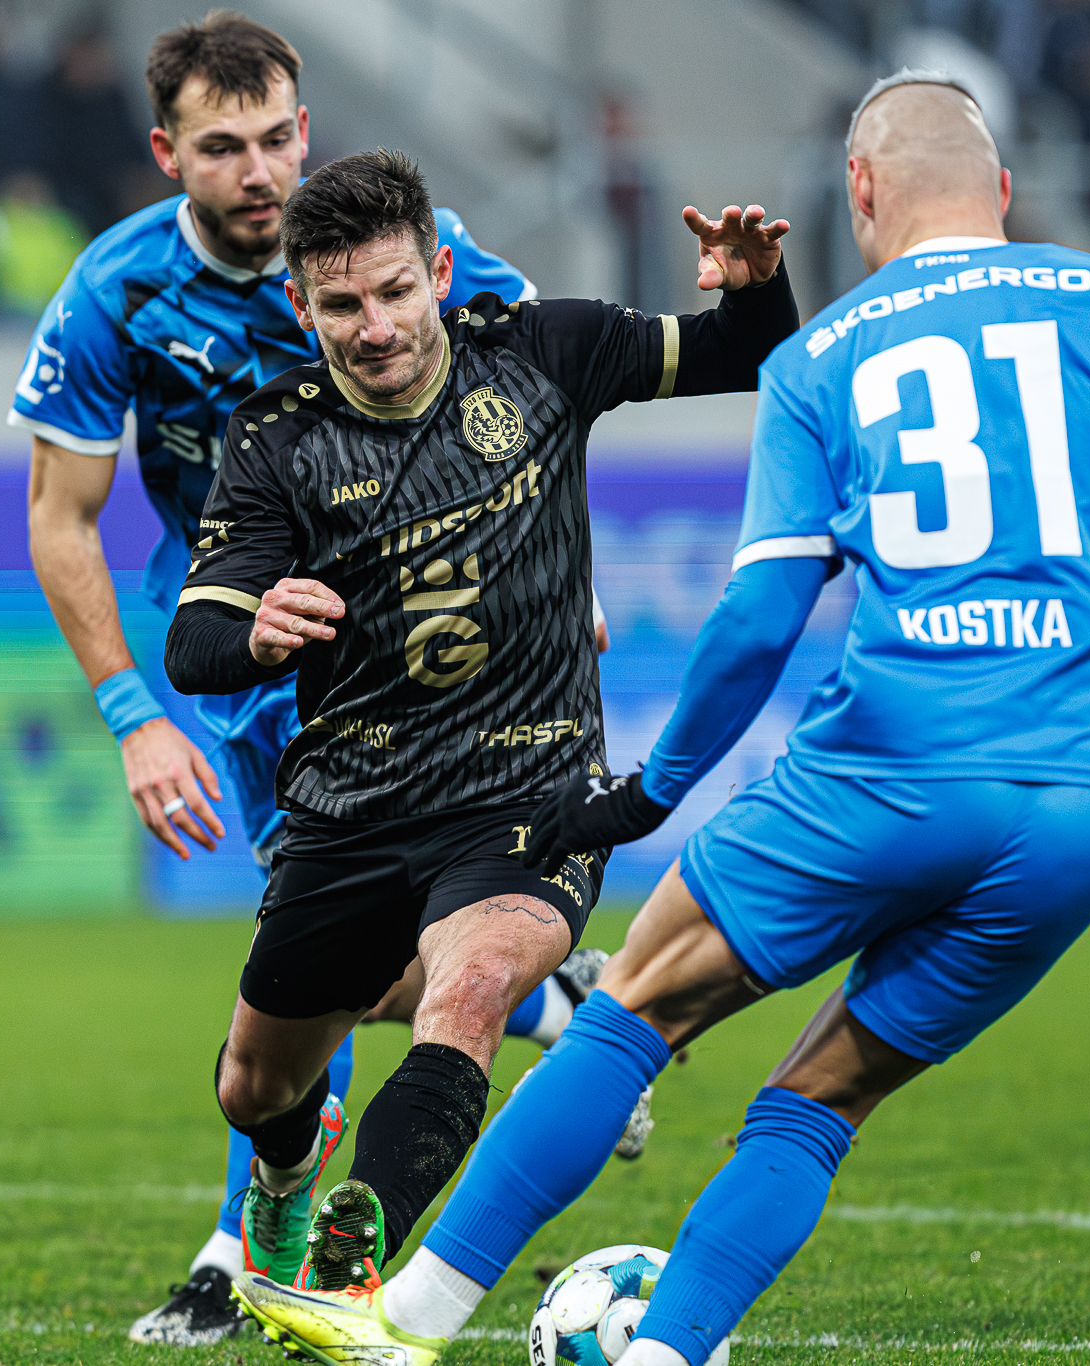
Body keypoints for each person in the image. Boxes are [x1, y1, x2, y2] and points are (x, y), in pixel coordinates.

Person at [230, 74, 1090, 1366]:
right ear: (1003, 191)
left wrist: (651, 790)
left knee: (633, 1008)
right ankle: (663, 1353)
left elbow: (761, 613)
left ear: (861, 193)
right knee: (822, 1098)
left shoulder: (826, 355)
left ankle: (405, 1315)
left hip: (892, 764)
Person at [8, 11, 604, 1347]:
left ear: (307, 129)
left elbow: (538, 401)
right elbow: (60, 517)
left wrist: (565, 575)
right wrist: (132, 715)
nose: (261, 170)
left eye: (278, 136)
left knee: (314, 957)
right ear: (166, 155)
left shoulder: (408, 255)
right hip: (259, 666)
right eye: (223, 147)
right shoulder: (115, 294)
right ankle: (549, 997)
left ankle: (242, 1255)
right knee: (328, 964)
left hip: (428, 661)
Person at [163, 148, 798, 1307]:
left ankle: (350, 1263)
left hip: (528, 792)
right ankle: (289, 1169)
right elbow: (192, 641)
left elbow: (741, 352)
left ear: (440, 274)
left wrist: (755, 289)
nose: (374, 328)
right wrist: (252, 629)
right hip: (352, 807)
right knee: (253, 1086)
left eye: (395, 291)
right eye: (341, 305)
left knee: (469, 989)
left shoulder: (544, 349)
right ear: (299, 306)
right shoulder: (276, 438)